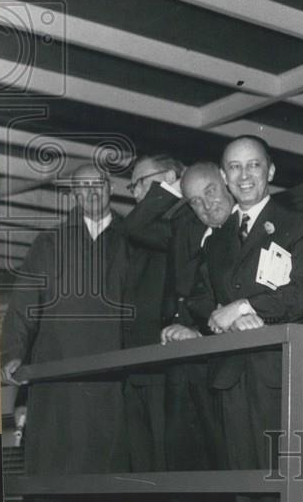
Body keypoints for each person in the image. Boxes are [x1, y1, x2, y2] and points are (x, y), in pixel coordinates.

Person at [200, 136, 303, 486]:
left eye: (253, 165)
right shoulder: (215, 240)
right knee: (242, 483)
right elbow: (203, 299)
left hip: (281, 371)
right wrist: (220, 319)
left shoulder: (301, 223)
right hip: (230, 374)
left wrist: (245, 307)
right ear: (224, 176)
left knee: (284, 483)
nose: (244, 175)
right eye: (234, 167)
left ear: (270, 171)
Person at [1, 164, 130, 475]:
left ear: (110, 187)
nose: (91, 192)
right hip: (58, 372)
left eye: (97, 184)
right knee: (57, 465)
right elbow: (23, 304)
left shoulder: (134, 239)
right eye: (82, 186)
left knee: (113, 467)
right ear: (73, 194)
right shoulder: (48, 243)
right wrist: (13, 353)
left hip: (117, 374)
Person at [139, 160, 236, 475]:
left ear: (225, 181)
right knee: (185, 460)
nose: (206, 205)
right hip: (184, 359)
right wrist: (171, 186)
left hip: (225, 360)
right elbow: (136, 226)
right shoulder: (186, 227)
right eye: (195, 200)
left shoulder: (248, 228)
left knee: (227, 459)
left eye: (210, 192)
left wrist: (199, 332)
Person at [120, 153, 186, 472]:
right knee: (141, 465)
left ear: (170, 178)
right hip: (134, 364)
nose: (134, 192)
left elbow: (135, 224)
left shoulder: (183, 222)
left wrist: (172, 189)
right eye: (132, 186)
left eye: (140, 183)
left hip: (162, 364)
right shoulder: (147, 229)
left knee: (164, 463)